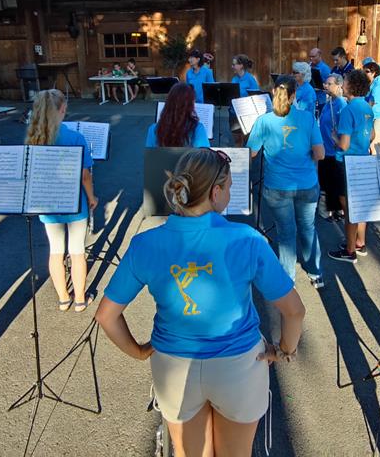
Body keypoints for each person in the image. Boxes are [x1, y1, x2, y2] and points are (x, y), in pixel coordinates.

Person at [95, 148, 306, 457]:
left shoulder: (145, 244)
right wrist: (285, 350)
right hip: (239, 367)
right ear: (215, 191)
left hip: (173, 366)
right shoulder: (247, 239)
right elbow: (294, 311)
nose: (231, 193)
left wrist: (140, 352)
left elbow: (106, 316)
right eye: (230, 187)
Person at [248, 75, 325, 288]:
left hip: (277, 186)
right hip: (307, 184)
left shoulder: (263, 121)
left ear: (274, 92)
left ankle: (288, 278)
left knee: (285, 232)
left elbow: (251, 153)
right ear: (293, 96)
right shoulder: (308, 118)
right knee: (308, 227)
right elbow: (320, 154)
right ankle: (315, 273)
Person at [26, 89, 98, 312]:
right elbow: (85, 175)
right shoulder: (75, 137)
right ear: (62, 110)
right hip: (74, 201)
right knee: (77, 251)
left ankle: (63, 298)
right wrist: (92, 197)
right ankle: (80, 299)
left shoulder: (34, 137)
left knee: (55, 250)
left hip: (47, 200)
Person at [327, 69, 374, 264]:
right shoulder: (367, 107)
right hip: (362, 160)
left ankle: (349, 249)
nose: (342, 84)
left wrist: (334, 136)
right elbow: (371, 136)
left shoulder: (348, 109)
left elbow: (344, 144)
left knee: (349, 209)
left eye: (345, 81)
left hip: (346, 163)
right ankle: (360, 242)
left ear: (352, 86)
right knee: (359, 206)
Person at [318, 73, 347, 222]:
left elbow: (342, 128)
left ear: (338, 86)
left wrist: (337, 139)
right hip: (324, 147)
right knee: (326, 180)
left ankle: (334, 211)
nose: (326, 86)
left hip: (333, 150)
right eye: (325, 83)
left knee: (331, 182)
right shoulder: (329, 101)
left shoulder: (341, 105)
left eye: (329, 84)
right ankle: (330, 210)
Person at [146, 83, 210, 148]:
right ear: (190, 105)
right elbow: (204, 156)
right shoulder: (197, 128)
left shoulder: (153, 129)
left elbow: (150, 156)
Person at [229, 54, 261, 147]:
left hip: (246, 114)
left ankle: (248, 160)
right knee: (237, 140)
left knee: (247, 141)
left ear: (241, 65)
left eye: (234, 64)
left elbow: (256, 97)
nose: (232, 66)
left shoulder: (250, 79)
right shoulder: (234, 79)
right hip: (234, 114)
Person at [362, 60, 380, 152]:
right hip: (372, 116)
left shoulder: (378, 85)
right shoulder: (369, 84)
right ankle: (377, 161)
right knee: (369, 143)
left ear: (374, 73)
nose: (364, 74)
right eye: (364, 71)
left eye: (367, 72)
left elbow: (373, 102)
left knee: (374, 144)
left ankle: (377, 163)